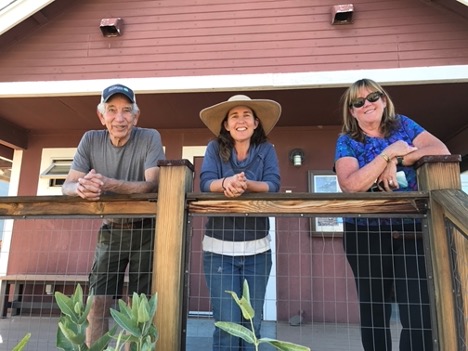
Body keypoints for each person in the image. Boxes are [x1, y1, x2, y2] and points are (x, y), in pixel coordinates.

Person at [334, 78, 450, 351]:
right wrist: (387, 155)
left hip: (410, 229)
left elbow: (440, 151)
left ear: (384, 100)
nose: (367, 104)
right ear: (352, 111)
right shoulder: (347, 141)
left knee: (418, 311)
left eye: (373, 97)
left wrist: (399, 159)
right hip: (365, 234)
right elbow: (351, 185)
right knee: (374, 312)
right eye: (358, 102)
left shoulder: (404, 125)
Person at [62, 83, 165, 346]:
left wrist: (108, 184)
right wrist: (81, 187)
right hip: (111, 230)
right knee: (98, 302)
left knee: (139, 305)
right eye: (112, 110)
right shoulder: (90, 139)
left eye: (126, 111)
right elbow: (67, 185)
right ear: (101, 116)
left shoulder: (150, 136)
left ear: (136, 116)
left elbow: (152, 184)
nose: (119, 118)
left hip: (146, 230)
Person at [199, 95, 281, 351]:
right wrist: (226, 183)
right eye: (234, 116)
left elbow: (273, 185)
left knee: (251, 324)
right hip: (218, 252)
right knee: (226, 324)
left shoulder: (267, 149)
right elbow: (205, 182)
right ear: (226, 124)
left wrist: (244, 185)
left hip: (258, 251)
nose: (241, 120)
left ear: (256, 123)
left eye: (247, 115)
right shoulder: (213, 148)